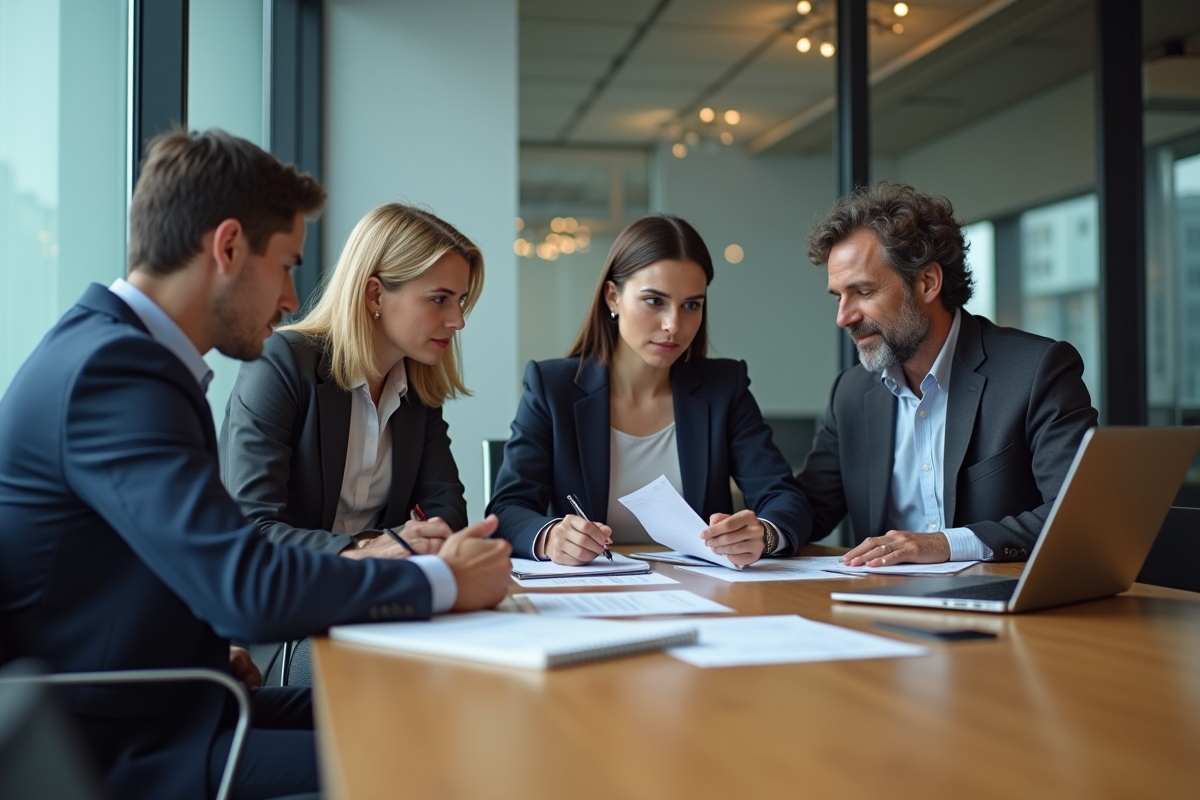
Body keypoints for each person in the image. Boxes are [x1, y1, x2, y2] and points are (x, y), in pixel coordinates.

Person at [0, 129, 512, 800]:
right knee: (427, 769)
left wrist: (204, 650)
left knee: (437, 722)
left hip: (174, 700)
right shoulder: (114, 372)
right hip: (111, 746)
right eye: (287, 265)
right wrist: (438, 581)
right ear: (229, 246)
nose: (293, 300)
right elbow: (246, 581)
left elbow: (173, 560)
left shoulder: (119, 356)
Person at [219, 203, 483, 683]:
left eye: (461, 301)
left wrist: (422, 541)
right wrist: (370, 547)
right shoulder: (280, 365)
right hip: (283, 620)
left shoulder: (417, 388)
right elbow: (251, 530)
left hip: (377, 608)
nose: (458, 321)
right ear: (374, 293)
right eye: (440, 299)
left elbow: (445, 510)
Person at [797, 181, 1098, 567]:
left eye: (864, 292)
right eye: (838, 296)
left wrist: (947, 544)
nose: (844, 317)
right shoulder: (851, 392)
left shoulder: (1036, 371)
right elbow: (810, 506)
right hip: (878, 608)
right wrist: (766, 530)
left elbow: (1078, 513)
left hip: (1004, 609)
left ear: (927, 282)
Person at [487, 214, 811, 567]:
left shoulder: (723, 388)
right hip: (591, 593)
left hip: (701, 593)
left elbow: (784, 497)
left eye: (692, 305)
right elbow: (506, 510)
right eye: (654, 301)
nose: (673, 325)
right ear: (613, 297)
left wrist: (762, 533)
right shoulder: (552, 389)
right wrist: (550, 537)